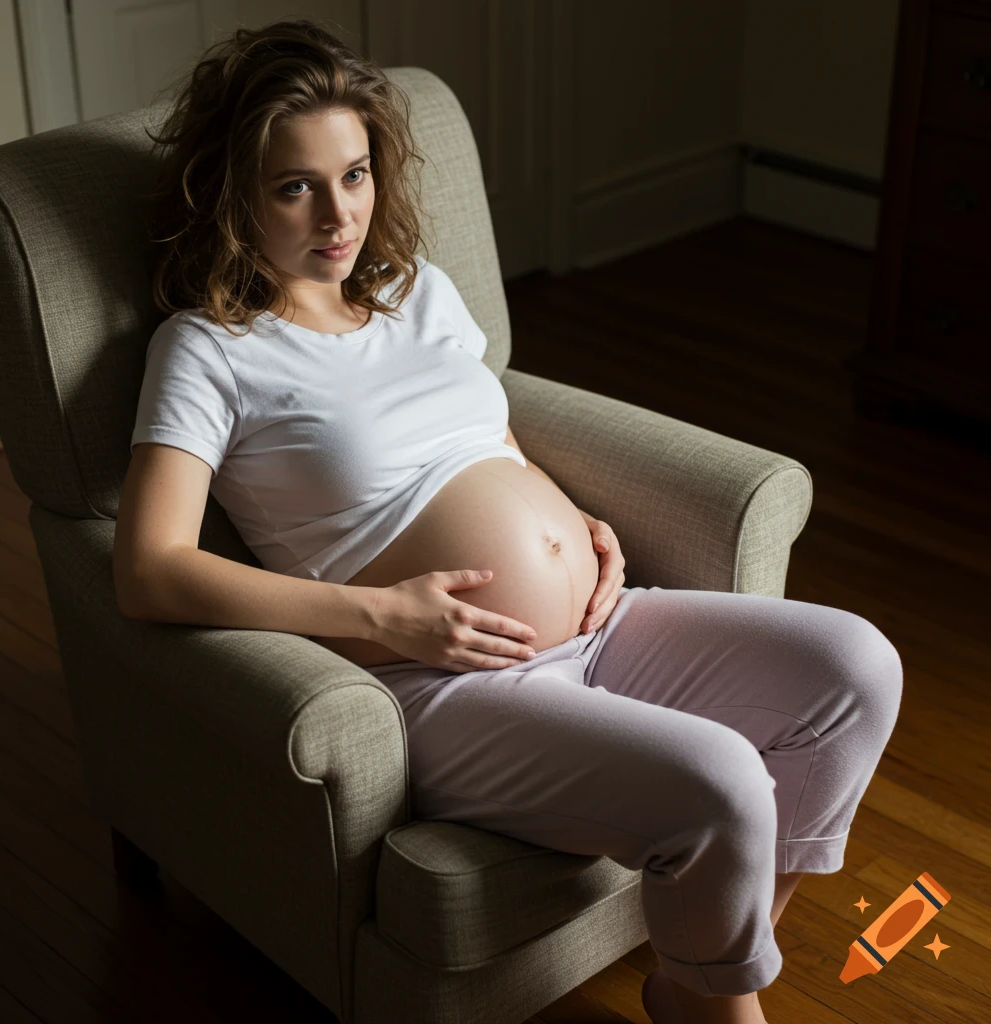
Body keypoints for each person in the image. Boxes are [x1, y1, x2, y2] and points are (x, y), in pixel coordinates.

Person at [116, 20, 904, 1024]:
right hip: (443, 682)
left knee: (856, 670)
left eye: (354, 175)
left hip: (600, 623)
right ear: (234, 195)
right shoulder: (211, 350)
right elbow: (149, 569)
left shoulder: (413, 291)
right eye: (294, 187)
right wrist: (382, 616)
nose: (339, 214)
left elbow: (484, 440)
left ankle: (696, 980)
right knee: (724, 782)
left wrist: (572, 520)